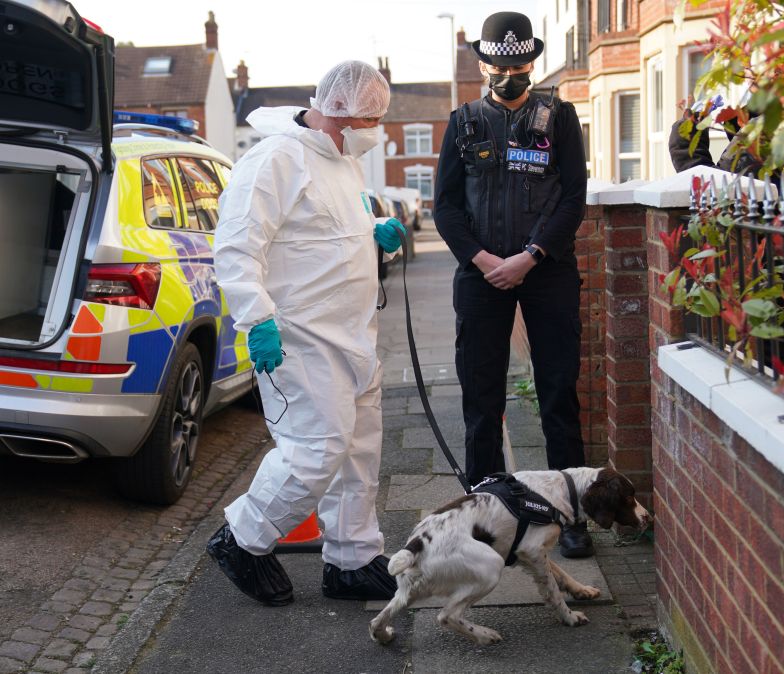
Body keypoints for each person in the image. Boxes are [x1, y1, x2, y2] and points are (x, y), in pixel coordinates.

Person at [206, 60, 406, 606]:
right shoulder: (274, 159)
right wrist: (256, 319)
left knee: (359, 451)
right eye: (372, 118)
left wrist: (374, 234)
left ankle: (352, 559)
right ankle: (242, 540)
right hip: (297, 336)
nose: (376, 130)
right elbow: (237, 245)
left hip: (352, 334)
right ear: (340, 113)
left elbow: (328, 228)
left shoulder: (342, 161)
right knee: (316, 448)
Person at [433, 12, 593, 558]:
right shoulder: (464, 122)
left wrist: (529, 256)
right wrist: (482, 260)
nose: (510, 72)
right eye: (500, 64)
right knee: (481, 399)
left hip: (546, 272)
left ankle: (570, 515)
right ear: (484, 63)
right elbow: (446, 206)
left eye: (519, 63)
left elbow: (573, 195)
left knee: (557, 393)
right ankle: (483, 516)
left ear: (533, 61)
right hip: (480, 278)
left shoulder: (560, 117)